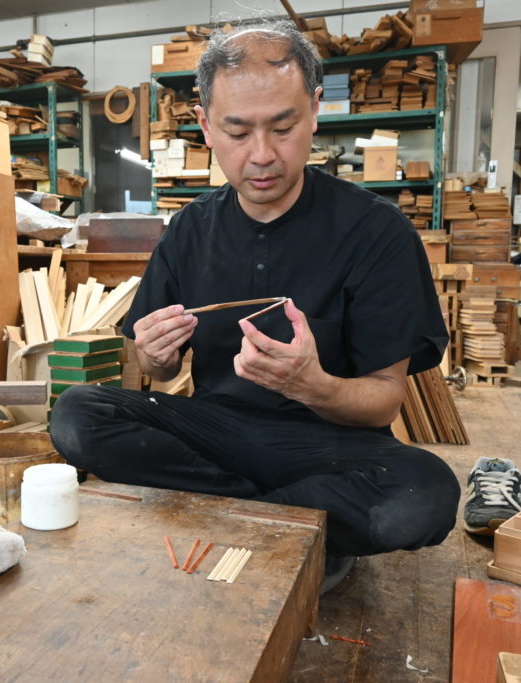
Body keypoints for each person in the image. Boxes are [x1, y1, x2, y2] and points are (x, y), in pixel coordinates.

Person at [50, 22, 460, 593]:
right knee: (77, 414)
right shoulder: (189, 230)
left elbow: (383, 400)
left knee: (425, 493)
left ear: (314, 112)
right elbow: (156, 372)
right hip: (216, 430)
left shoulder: (377, 232)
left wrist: (314, 386)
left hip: (325, 442)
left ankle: (229, 518)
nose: (262, 155)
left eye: (283, 128)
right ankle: (296, 526)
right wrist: (156, 356)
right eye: (238, 131)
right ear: (206, 126)